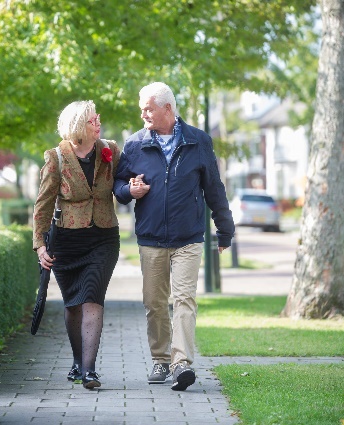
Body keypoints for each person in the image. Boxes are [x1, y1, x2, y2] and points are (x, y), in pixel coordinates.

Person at [113, 82, 235, 391]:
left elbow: (214, 189)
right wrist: (130, 190)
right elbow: (118, 186)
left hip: (188, 238)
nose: (143, 114)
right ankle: (161, 360)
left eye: (148, 108)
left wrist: (225, 229)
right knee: (155, 302)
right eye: (142, 108)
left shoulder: (198, 141)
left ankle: (182, 364)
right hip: (151, 237)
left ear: (168, 108)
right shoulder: (134, 145)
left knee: (184, 299)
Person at [32, 100, 121, 390]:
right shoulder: (56, 158)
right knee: (73, 305)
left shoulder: (110, 150)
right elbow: (43, 205)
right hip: (67, 240)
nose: (99, 123)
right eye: (93, 120)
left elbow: (122, 183)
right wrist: (40, 246)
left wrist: (133, 188)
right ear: (80, 126)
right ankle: (77, 361)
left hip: (103, 238)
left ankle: (90, 370)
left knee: (92, 297)